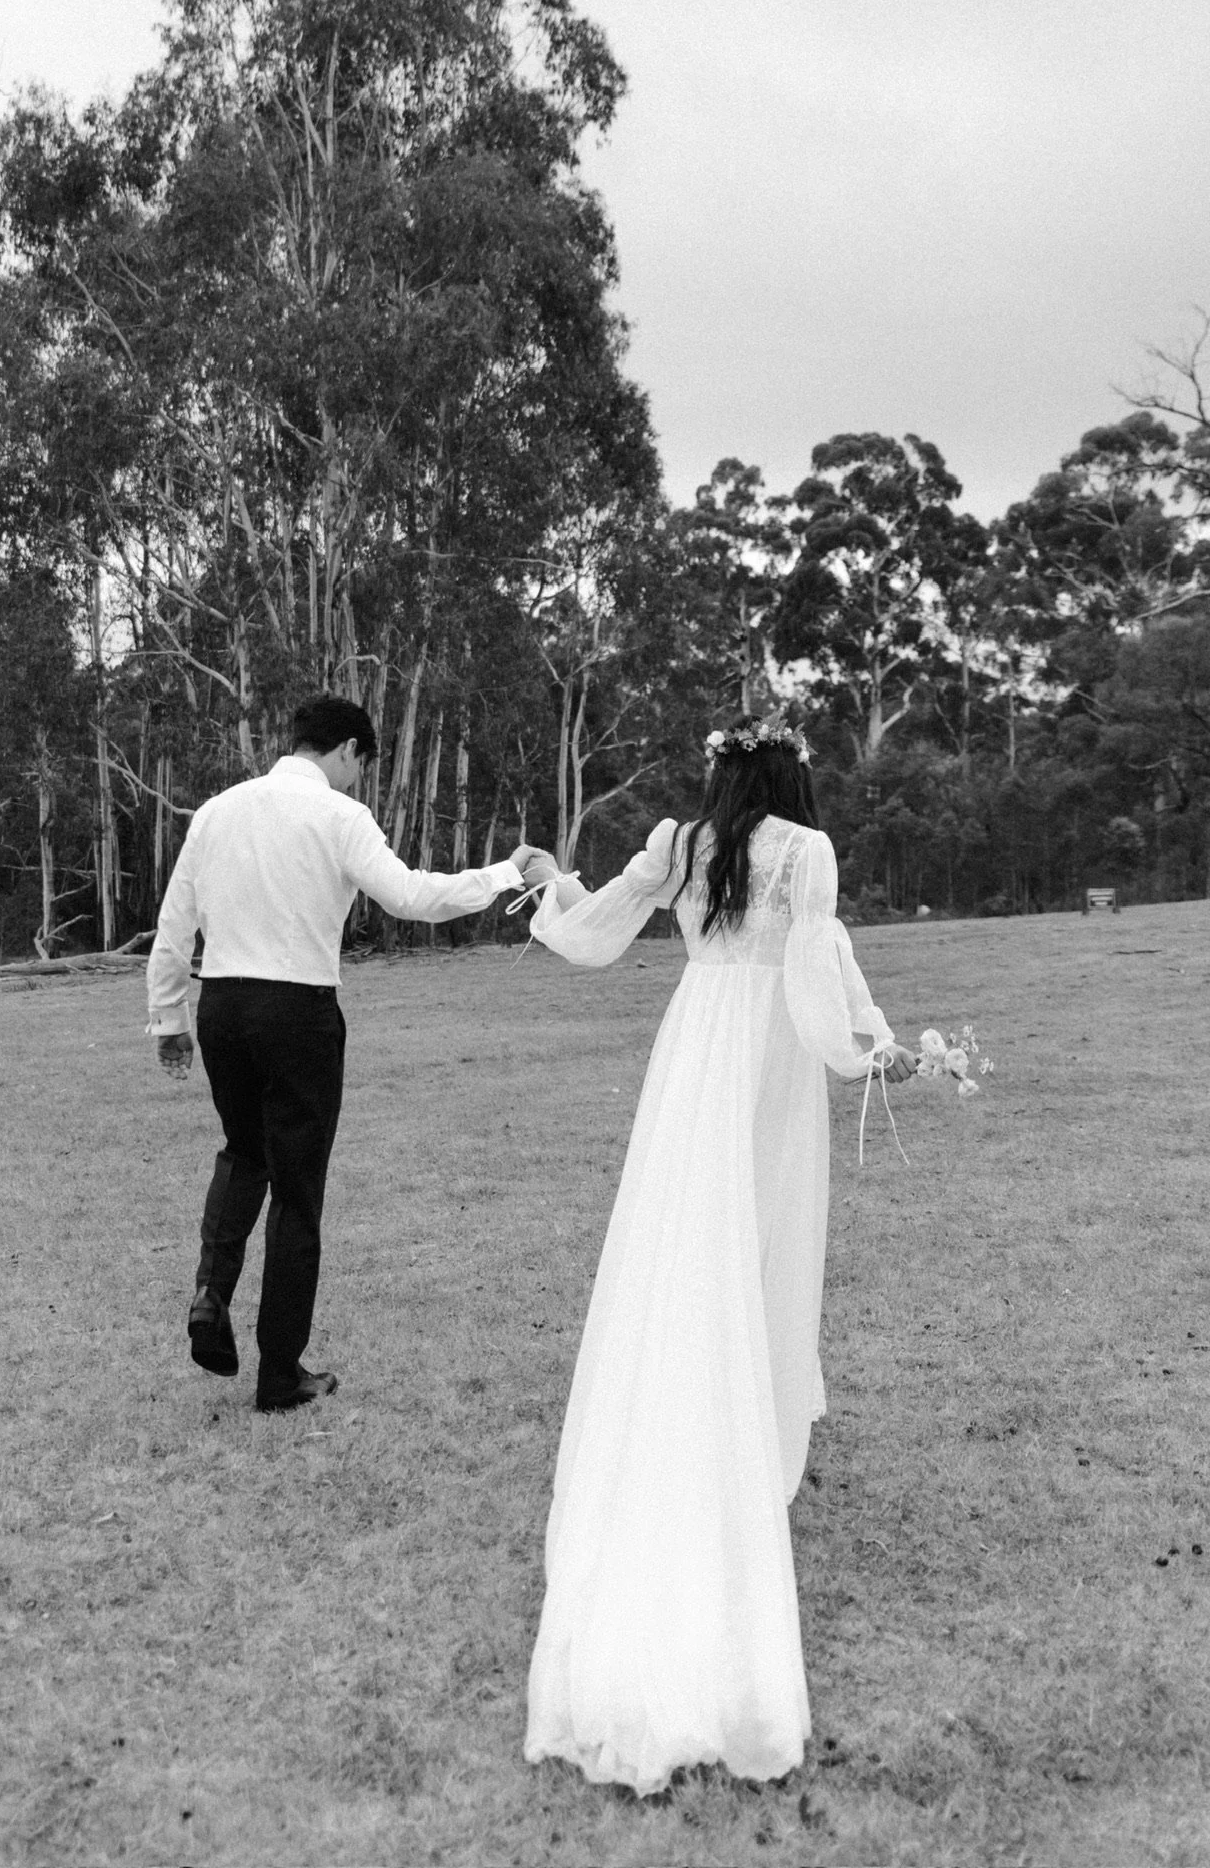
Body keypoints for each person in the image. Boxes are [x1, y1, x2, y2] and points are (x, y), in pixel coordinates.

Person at [518, 717, 916, 1791]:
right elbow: (816, 966)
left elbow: (596, 931)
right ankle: (753, 1427)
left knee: (683, 1236)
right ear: (792, 769)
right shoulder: (803, 852)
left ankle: (707, 1400)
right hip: (770, 1059)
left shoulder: (681, 842)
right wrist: (866, 1050)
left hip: (695, 1050)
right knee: (764, 1234)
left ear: (721, 769)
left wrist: (553, 886)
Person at [147, 695, 534, 1414]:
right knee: (297, 1194)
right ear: (351, 750)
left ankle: (210, 1291)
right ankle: (279, 1373)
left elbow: (176, 923)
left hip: (223, 1006)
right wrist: (506, 874)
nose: (359, 778)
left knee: (242, 1152)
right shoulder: (338, 815)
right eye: (363, 764)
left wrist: (167, 1015)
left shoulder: (217, 811)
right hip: (298, 1012)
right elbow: (413, 897)